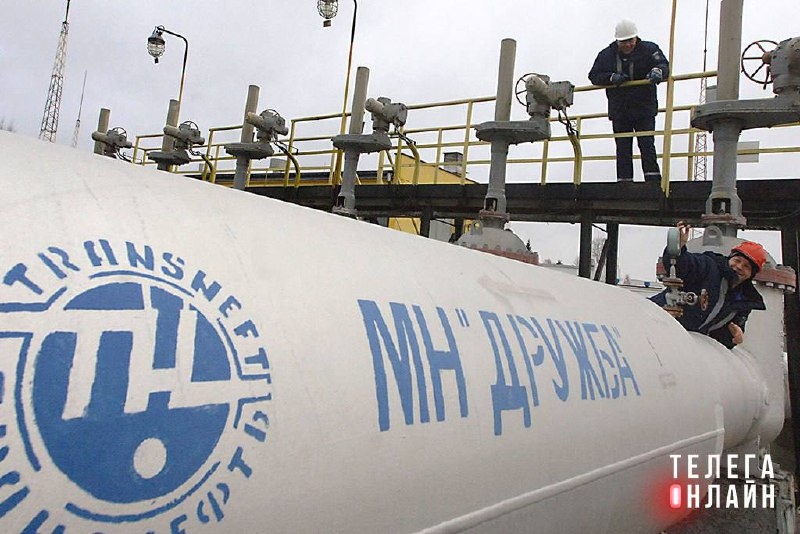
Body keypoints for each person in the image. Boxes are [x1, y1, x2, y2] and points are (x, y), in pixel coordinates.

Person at [649, 222, 767, 349]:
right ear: (730, 258)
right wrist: (679, 249)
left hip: (682, 340)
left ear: (751, 275)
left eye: (746, 266)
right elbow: (683, 266)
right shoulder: (709, 267)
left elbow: (721, 337)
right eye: (737, 260)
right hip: (654, 317)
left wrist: (735, 336)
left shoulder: (743, 300)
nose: (739, 267)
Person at [588, 19, 670, 183]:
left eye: (630, 41)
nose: (627, 45)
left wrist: (658, 71)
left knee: (646, 143)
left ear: (636, 38)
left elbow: (663, 65)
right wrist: (611, 77)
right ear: (617, 41)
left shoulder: (649, 49)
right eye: (623, 42)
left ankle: (653, 181)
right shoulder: (606, 55)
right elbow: (594, 75)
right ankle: (624, 183)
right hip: (620, 110)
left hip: (644, 107)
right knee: (623, 146)